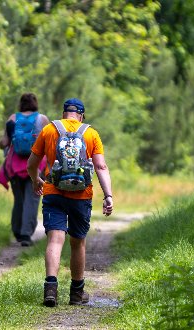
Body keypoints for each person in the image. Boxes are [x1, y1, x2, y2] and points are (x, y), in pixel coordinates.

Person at [27, 98, 113, 307]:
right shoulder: (91, 133)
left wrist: (36, 180)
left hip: (53, 192)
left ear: (64, 113)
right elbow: (100, 167)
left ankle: (50, 289)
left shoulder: (49, 130)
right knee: (77, 243)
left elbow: (31, 164)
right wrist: (108, 195)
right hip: (81, 195)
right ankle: (76, 293)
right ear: (81, 115)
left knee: (55, 240)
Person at [0, 93, 49, 246]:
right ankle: (26, 235)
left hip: (14, 166)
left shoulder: (13, 118)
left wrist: (4, 144)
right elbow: (50, 141)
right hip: (37, 164)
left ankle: (18, 232)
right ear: (35, 103)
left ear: (21, 104)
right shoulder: (42, 119)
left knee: (19, 200)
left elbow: (4, 142)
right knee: (32, 200)